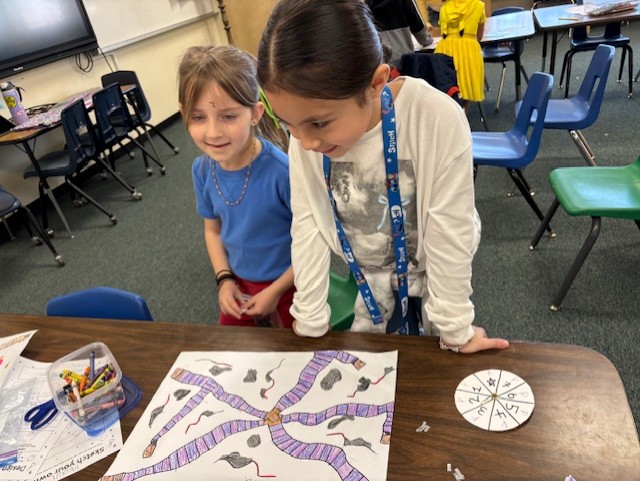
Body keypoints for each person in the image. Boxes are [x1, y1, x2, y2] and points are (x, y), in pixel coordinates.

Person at [257, 0, 508, 353]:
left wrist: (455, 328)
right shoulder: (305, 136)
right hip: (368, 281)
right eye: (287, 124)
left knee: (439, 365)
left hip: (432, 273)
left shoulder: (435, 119)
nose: (305, 142)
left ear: (376, 83)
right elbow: (309, 222)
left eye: (319, 123)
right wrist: (310, 316)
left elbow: (450, 227)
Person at [178, 45, 295, 328]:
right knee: (230, 354)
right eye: (198, 117)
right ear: (183, 114)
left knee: (298, 358)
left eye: (228, 116)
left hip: (290, 283)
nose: (213, 132)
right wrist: (224, 278)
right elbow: (213, 229)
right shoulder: (202, 169)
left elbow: (314, 243)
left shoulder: (282, 171)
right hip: (238, 282)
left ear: (255, 114)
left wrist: (276, 290)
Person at [434, 0, 486, 103]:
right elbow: (479, 36)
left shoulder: (444, 8)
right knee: (466, 90)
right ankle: (463, 114)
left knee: (447, 90)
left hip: (444, 50)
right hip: (467, 51)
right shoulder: (478, 5)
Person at [366, 0, 433, 68]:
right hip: (404, 58)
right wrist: (427, 40)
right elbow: (418, 26)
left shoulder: (359, 3)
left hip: (376, 63)